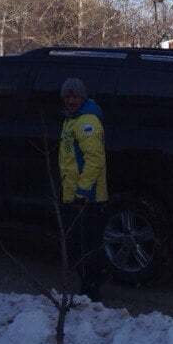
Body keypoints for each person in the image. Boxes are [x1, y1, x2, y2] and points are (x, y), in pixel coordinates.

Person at [59, 77, 108, 302]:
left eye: (75, 96)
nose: (71, 101)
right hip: (73, 195)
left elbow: (94, 161)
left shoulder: (87, 121)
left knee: (88, 245)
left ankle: (92, 289)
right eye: (67, 96)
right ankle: (85, 287)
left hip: (87, 198)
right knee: (78, 243)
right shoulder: (71, 120)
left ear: (82, 97)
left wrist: (82, 192)